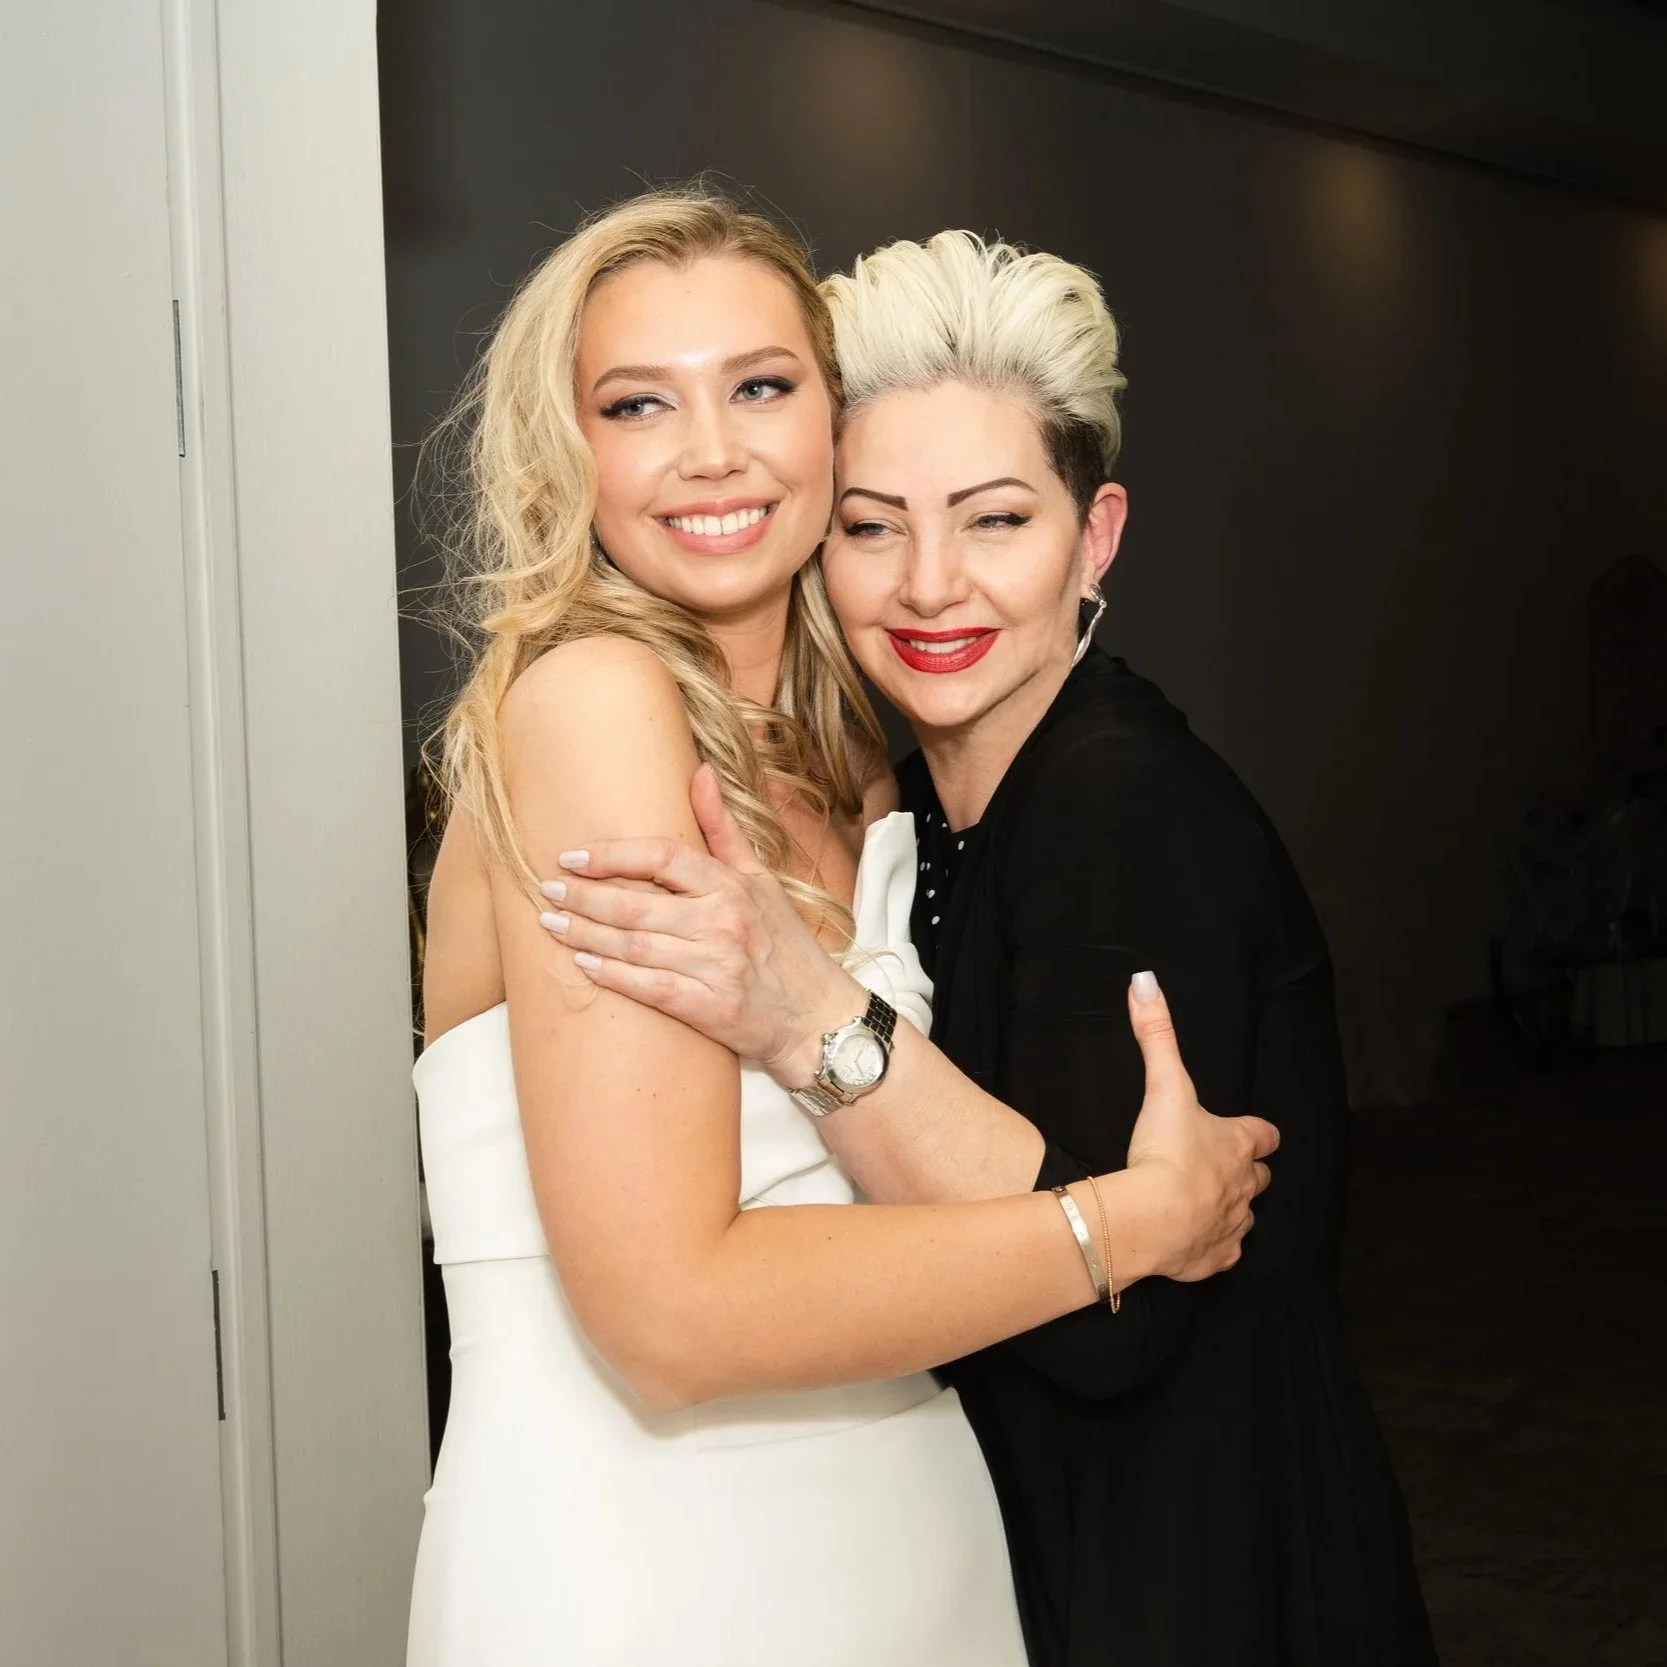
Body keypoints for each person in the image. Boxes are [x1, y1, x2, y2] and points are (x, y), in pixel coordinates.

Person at [407, 190, 1277, 1667]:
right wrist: (1122, 1223)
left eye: (759, 384)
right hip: (651, 1565)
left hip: (904, 1534)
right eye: (638, 403)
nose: (713, 452)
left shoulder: (844, 753)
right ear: (572, 449)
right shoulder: (594, 704)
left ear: (831, 415)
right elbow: (667, 1318)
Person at [545, 231, 1439, 1665]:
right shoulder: (932, 805)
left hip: (1201, 1573)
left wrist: (802, 1014)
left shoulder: (1116, 802)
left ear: (1095, 538)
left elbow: (1111, 1328)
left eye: (997, 520)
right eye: (871, 523)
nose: (928, 586)